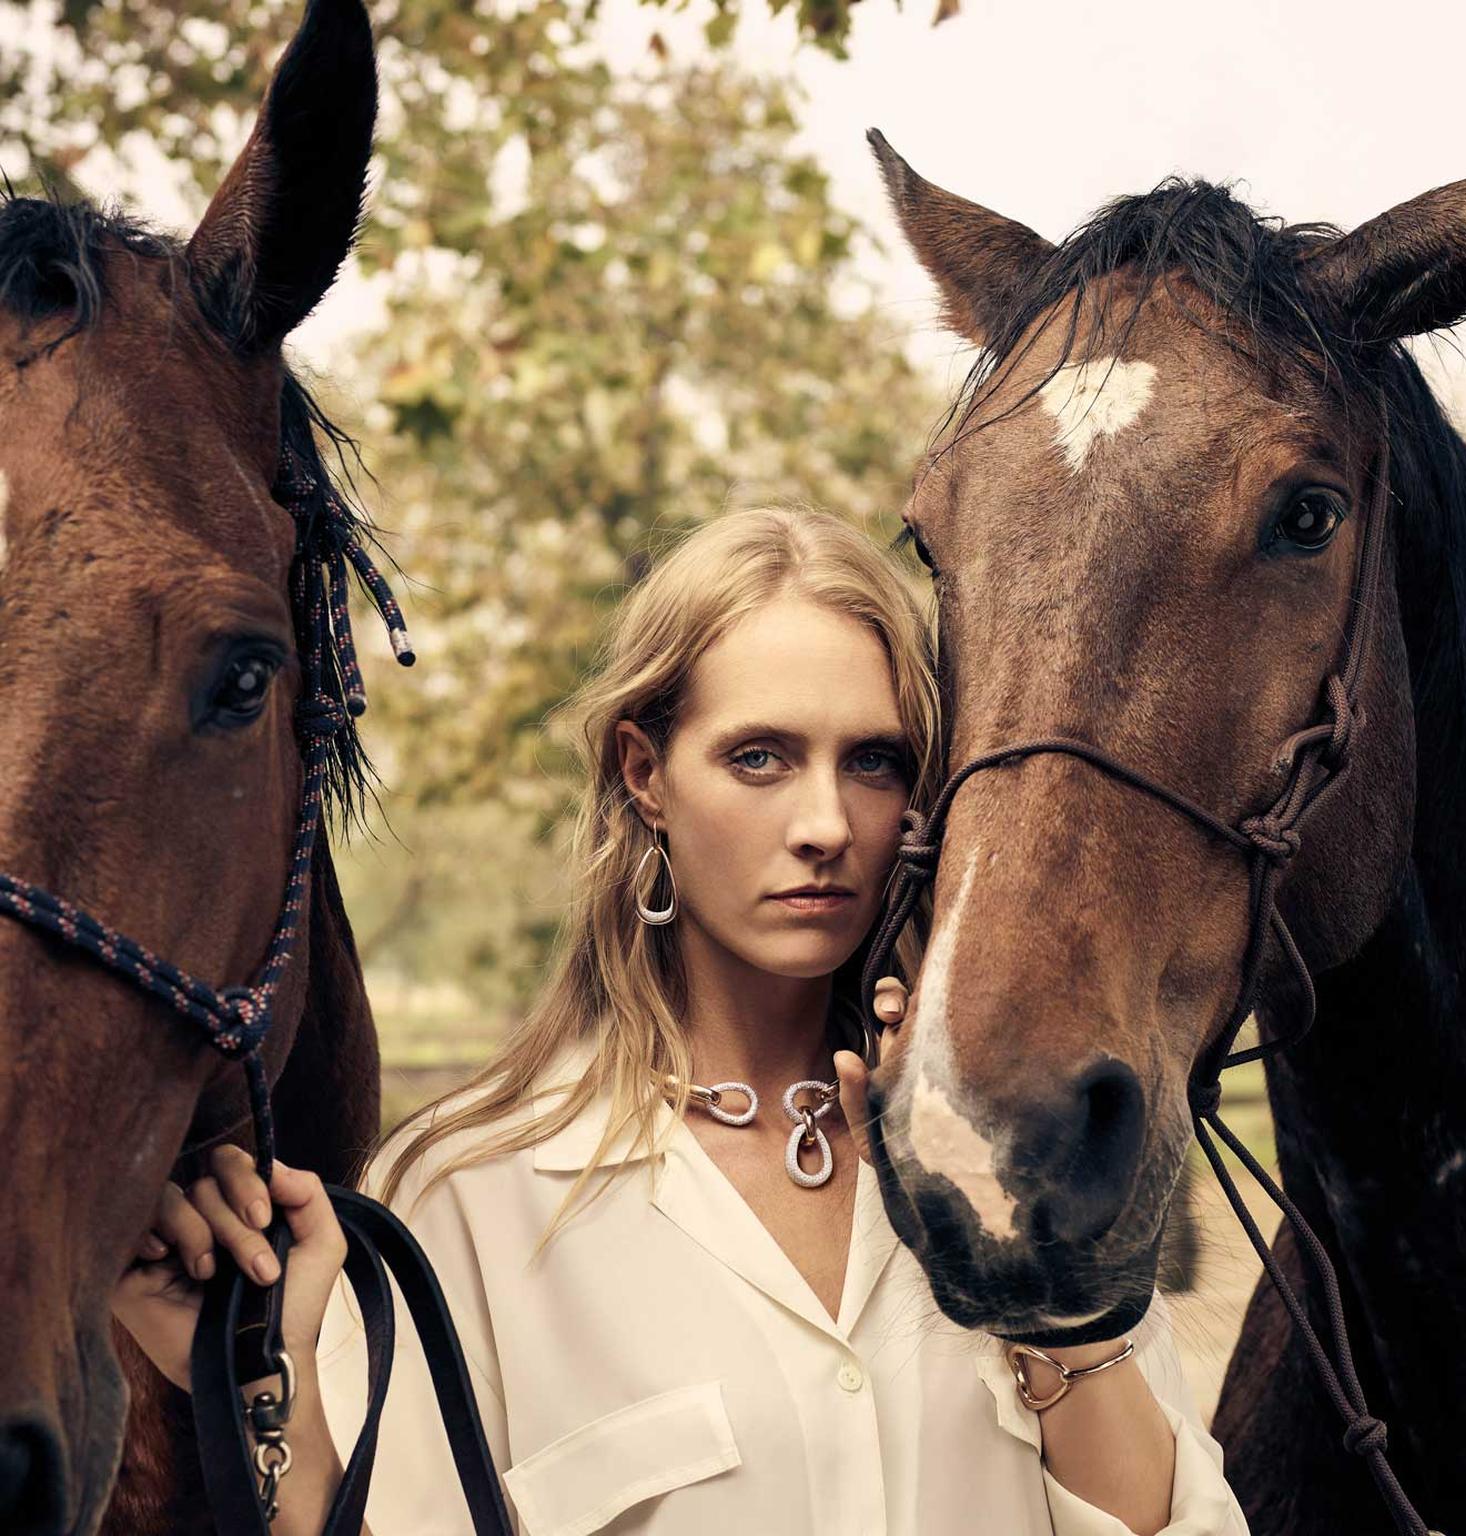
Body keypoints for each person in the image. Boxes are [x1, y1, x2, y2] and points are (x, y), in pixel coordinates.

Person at [113, 507, 1248, 1535]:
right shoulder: (470, 1193)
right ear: (646, 773)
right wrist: (273, 1391)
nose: (824, 823)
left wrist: (1036, 1280)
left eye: (874, 762)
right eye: (759, 757)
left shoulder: (1021, 1146)